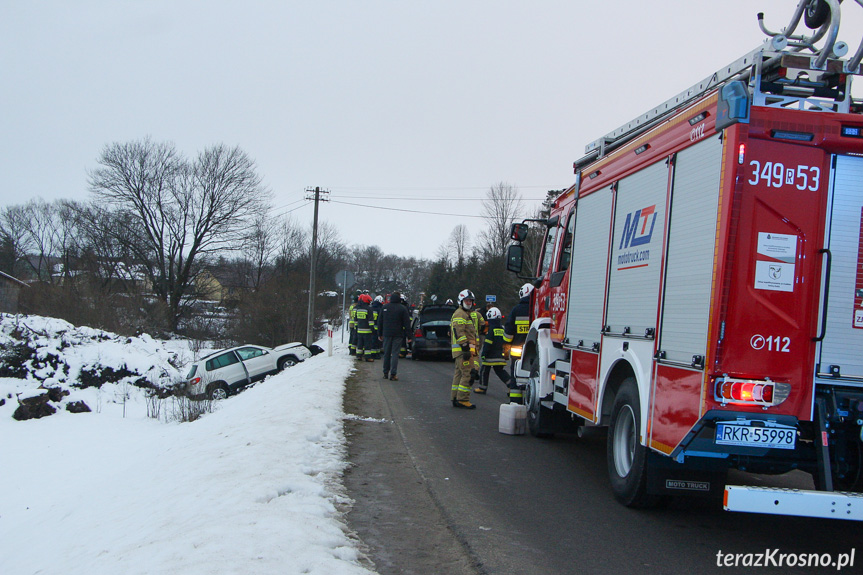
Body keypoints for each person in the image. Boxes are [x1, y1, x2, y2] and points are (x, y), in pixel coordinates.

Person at [504, 282, 534, 403]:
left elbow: (508, 331)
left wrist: (506, 346)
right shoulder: (538, 308)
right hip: (534, 352)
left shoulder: (516, 310)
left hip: (517, 350)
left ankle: (515, 402)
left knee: (516, 376)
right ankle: (530, 400)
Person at [450, 288, 478, 409]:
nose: (469, 303)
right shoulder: (460, 314)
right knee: (467, 374)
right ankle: (463, 399)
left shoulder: (465, 314)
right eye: (466, 300)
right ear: (461, 301)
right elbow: (459, 333)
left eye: (470, 301)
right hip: (463, 351)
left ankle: (455, 397)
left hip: (462, 351)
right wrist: (466, 348)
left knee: (459, 375)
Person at [475, 307, 511, 395]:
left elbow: (487, 343)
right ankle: (511, 386)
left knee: (484, 370)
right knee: (500, 371)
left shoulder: (491, 330)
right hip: (500, 356)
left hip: (490, 356)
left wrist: (483, 354)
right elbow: (506, 343)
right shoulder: (502, 329)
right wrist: (505, 354)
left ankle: (482, 388)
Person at [378, 291, 411, 380]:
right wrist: (409, 336)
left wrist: (380, 334)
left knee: (386, 354)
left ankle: (385, 373)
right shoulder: (402, 308)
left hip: (386, 334)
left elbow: (380, 322)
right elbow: (406, 323)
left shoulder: (385, 307)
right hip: (398, 334)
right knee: (395, 354)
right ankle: (393, 374)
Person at [355, 293, 376, 362]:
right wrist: (373, 330)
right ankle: (368, 357)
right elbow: (370, 321)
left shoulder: (358, 309)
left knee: (360, 344)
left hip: (359, 330)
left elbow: (356, 319)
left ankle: (359, 356)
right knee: (367, 345)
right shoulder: (369, 309)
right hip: (367, 330)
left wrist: (356, 327)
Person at [371, 295, 384, 359]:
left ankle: (373, 353)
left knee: (372, 341)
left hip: (370, 328)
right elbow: (381, 320)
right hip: (378, 328)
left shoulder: (371, 308)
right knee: (377, 342)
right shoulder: (380, 309)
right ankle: (376, 354)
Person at [348, 290, 361, 355]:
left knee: (351, 336)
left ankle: (350, 346)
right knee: (355, 336)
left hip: (351, 323)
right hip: (356, 324)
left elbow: (350, 314)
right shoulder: (357, 307)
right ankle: (354, 348)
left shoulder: (351, 306)